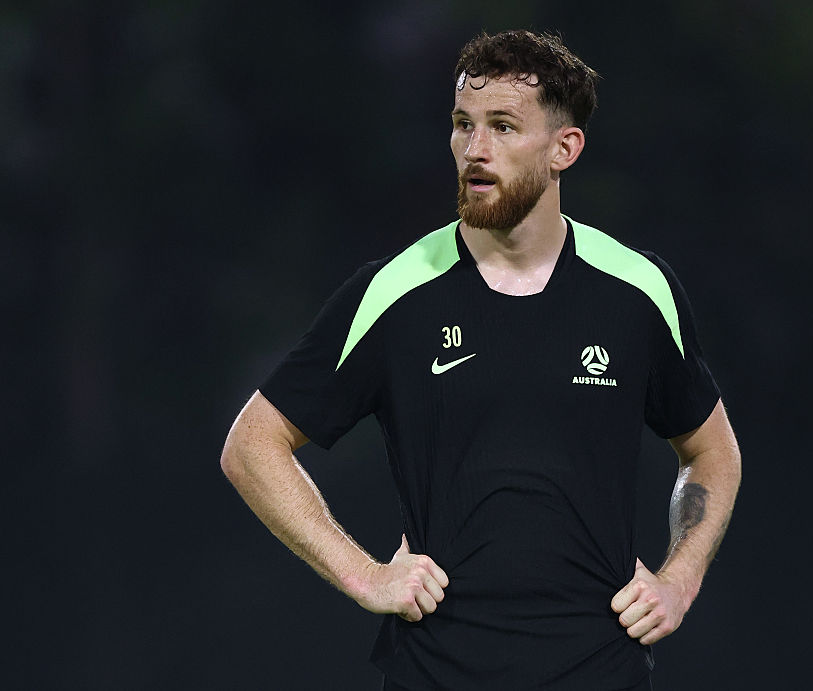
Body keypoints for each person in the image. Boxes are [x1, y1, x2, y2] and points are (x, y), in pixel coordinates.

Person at [220, 29, 741, 691]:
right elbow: (252, 444)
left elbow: (712, 451)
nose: (475, 148)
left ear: (564, 148)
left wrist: (680, 579)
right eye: (463, 124)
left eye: (503, 126)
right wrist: (364, 575)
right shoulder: (395, 292)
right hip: (437, 674)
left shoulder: (638, 291)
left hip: (600, 671)